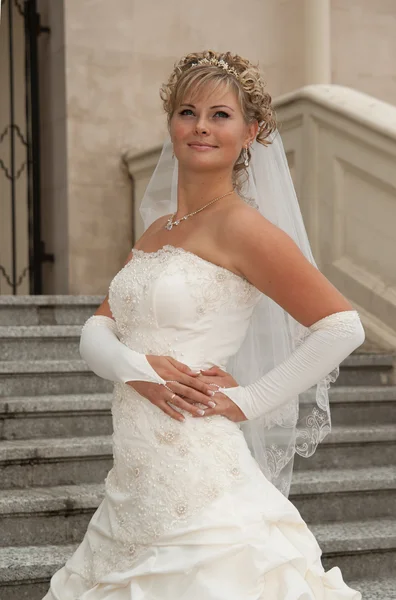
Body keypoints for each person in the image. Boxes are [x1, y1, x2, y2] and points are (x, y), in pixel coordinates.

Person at [43, 50, 365, 599]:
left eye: (220, 115)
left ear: (251, 132)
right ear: (171, 124)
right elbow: (97, 329)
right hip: (135, 476)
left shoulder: (244, 228)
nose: (200, 127)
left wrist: (248, 399)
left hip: (199, 470)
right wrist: (136, 368)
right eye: (187, 111)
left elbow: (342, 326)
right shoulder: (158, 230)